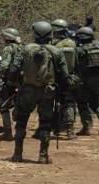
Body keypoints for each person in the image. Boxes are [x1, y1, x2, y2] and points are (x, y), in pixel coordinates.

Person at [7, 22, 71, 163]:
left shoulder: (24, 49)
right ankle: (43, 156)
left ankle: (17, 154)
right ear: (51, 35)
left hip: (27, 90)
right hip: (47, 92)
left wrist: (16, 83)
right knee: (45, 124)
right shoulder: (56, 52)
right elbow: (64, 76)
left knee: (21, 122)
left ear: (34, 34)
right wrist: (64, 91)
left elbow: (13, 71)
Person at [74, 27, 99, 136]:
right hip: (97, 80)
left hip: (84, 80)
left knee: (82, 103)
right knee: (95, 102)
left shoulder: (80, 50)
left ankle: (87, 127)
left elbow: (74, 65)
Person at [0, 27, 23, 141]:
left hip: (10, 82)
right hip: (21, 82)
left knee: (3, 107)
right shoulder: (22, 48)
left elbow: (5, 66)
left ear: (7, 38)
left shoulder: (8, 49)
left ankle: (7, 133)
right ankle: (19, 133)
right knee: (19, 107)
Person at [51, 19, 77, 140]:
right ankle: (70, 131)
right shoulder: (72, 44)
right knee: (69, 104)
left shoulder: (54, 45)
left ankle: (56, 128)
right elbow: (77, 61)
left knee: (56, 103)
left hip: (57, 78)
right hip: (69, 77)